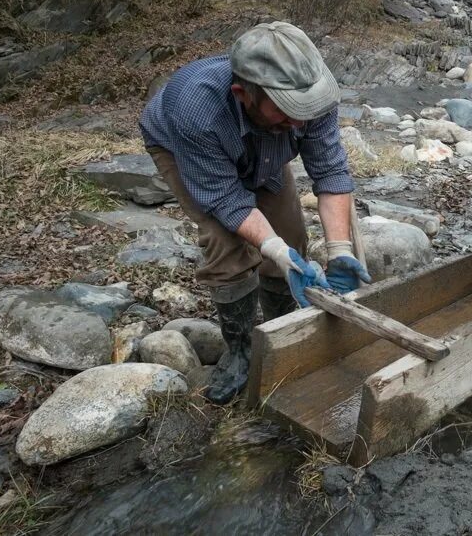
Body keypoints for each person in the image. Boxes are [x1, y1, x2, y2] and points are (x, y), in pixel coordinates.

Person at [140, 21, 370, 404]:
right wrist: (274, 250)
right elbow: (227, 201)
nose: (301, 121)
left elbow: (330, 172)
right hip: (188, 147)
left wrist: (340, 250)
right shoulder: (193, 108)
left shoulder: (311, 95)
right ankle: (242, 348)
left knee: (291, 234)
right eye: (288, 111)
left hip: (266, 144)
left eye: (305, 111)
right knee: (224, 240)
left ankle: (280, 325)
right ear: (242, 93)